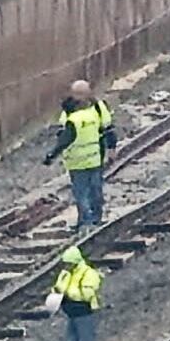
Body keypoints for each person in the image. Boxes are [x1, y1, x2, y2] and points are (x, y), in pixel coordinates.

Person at [50, 77, 113, 231]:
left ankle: (93, 219)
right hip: (77, 160)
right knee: (83, 192)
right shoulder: (69, 112)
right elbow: (63, 134)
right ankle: (86, 220)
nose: (78, 98)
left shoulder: (98, 108)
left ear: (88, 93)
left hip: (94, 156)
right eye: (76, 94)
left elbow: (108, 129)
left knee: (93, 190)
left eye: (81, 94)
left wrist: (112, 148)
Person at [54, 242, 104, 341]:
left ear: (75, 262)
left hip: (84, 314)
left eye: (68, 263)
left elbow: (87, 294)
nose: (66, 266)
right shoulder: (66, 274)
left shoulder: (89, 274)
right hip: (71, 314)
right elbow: (58, 287)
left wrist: (68, 293)